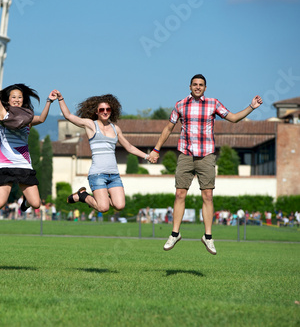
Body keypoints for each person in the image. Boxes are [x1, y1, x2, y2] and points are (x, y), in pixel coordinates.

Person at [150, 74, 263, 255]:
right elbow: (168, 128)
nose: (197, 87)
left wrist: (251, 107)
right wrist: (156, 150)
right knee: (180, 193)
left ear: (205, 88)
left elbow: (233, 118)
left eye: (201, 85)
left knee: (208, 195)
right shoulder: (180, 105)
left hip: (206, 155)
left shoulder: (213, 103)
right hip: (185, 154)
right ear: (189, 87)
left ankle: (208, 237)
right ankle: (174, 233)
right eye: (195, 84)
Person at [0, 55, 53, 229]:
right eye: (13, 97)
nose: (17, 99)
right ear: (8, 100)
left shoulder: (27, 119)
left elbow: (41, 119)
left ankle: (24, 202)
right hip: (5, 165)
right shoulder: (2, 114)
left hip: (24, 165)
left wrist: (49, 101)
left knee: (36, 204)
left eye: (20, 97)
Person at [55, 90, 152, 213]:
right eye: (102, 110)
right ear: (97, 112)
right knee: (103, 208)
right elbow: (68, 116)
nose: (105, 112)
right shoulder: (91, 125)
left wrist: (147, 156)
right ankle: (82, 196)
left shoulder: (115, 129)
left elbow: (129, 147)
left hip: (114, 175)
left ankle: (89, 196)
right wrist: (60, 98)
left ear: (112, 111)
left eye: (108, 109)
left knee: (120, 205)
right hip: (97, 175)